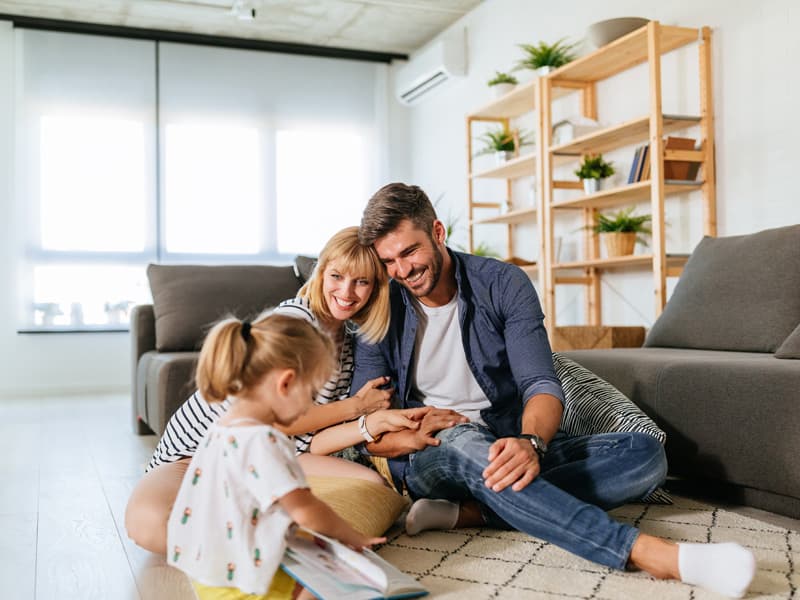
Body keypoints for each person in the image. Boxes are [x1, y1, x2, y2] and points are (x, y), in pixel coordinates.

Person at [351, 182, 756, 599]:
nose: (400, 270)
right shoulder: (381, 304)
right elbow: (368, 432)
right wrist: (416, 435)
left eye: (409, 252)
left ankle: (475, 513)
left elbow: (540, 382)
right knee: (466, 441)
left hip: (506, 439)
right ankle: (652, 554)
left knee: (645, 456)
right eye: (388, 261)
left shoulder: (501, 283)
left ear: (437, 232)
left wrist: (530, 442)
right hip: (433, 453)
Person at [126, 226, 430, 554]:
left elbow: (309, 442)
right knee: (154, 524)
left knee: (373, 488)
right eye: (337, 276)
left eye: (361, 281)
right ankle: (255, 539)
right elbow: (283, 422)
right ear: (320, 272)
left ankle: (276, 538)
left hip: (275, 452)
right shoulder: (294, 322)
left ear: (375, 288)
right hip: (197, 455)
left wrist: (369, 425)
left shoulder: (350, 344)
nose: (347, 291)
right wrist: (357, 407)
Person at [167, 311, 386, 599]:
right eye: (312, 394)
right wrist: (351, 535)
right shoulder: (264, 440)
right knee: (344, 583)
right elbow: (306, 509)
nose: (311, 406)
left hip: (209, 574)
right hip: (246, 582)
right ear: (286, 383)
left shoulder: (222, 428)